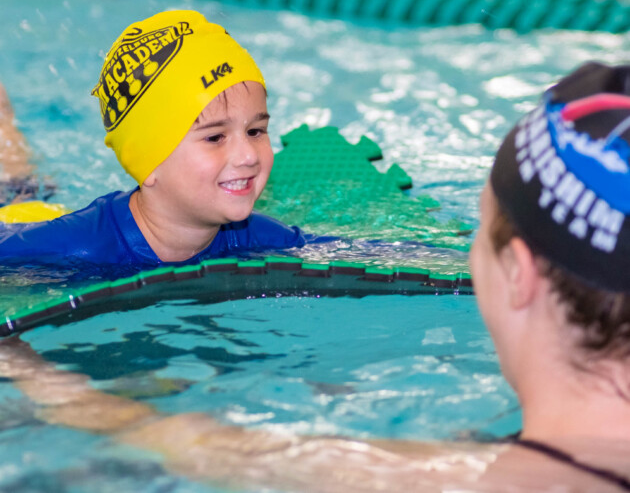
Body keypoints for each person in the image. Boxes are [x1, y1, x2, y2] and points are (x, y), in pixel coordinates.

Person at [2, 61, 630, 492]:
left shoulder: (437, 476)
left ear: (516, 275)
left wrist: (32, 373)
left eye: (481, 241)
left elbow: (175, 440)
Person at [0, 10, 304, 271]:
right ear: (149, 159)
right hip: (19, 224)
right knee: (17, 189)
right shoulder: (72, 249)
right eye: (215, 137)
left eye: (255, 131)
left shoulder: (256, 236)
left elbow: (344, 258)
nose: (248, 156)